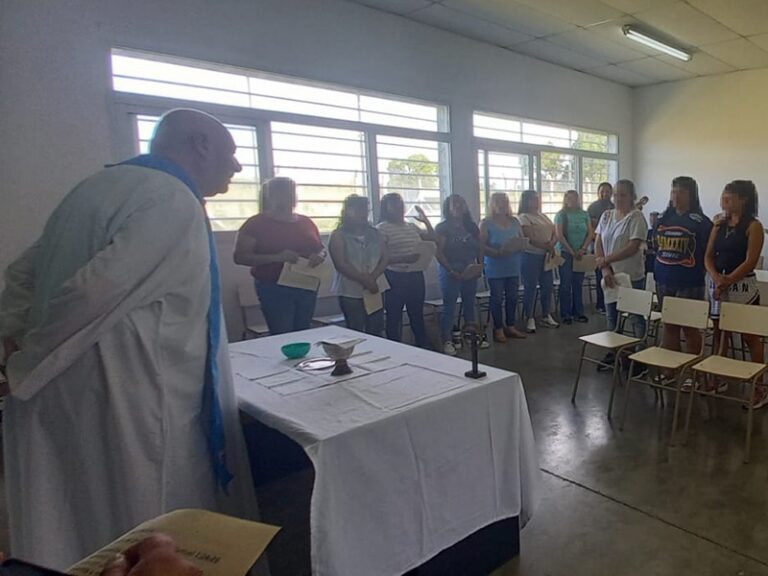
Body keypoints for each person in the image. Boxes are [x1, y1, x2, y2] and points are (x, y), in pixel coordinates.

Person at [0, 109, 257, 570]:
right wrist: (21, 365)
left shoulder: (92, 188)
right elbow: (93, 290)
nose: (237, 166)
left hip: (75, 386)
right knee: (142, 512)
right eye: (232, 153)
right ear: (199, 145)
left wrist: (13, 338)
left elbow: (22, 274)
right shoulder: (171, 198)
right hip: (130, 393)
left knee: (79, 505)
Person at [233, 177, 325, 335]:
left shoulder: (306, 222)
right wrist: (277, 257)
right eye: (283, 193)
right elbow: (240, 257)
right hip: (274, 287)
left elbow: (321, 249)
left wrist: (319, 256)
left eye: (291, 193)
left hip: (306, 284)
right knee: (283, 333)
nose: (289, 197)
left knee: (304, 332)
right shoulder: (256, 223)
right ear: (271, 196)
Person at [705, 180, 766, 407]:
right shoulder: (719, 224)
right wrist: (716, 278)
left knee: (750, 337)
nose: (724, 201)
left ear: (744, 200)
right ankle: (719, 375)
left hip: (742, 287)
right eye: (723, 196)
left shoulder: (753, 226)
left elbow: (750, 261)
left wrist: (729, 280)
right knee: (720, 333)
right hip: (718, 284)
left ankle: (759, 386)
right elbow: (708, 256)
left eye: (729, 197)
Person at [653, 177, 712, 389]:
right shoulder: (662, 219)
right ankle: (670, 370)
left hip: (689, 281)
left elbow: (709, 252)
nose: (676, 196)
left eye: (681, 192)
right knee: (669, 325)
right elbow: (655, 246)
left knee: (689, 329)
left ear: (691, 195)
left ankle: (692, 373)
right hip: (664, 278)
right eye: (673, 191)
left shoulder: (701, 222)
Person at [376, 193, 435, 348]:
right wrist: (403, 259)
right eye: (394, 205)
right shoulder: (382, 228)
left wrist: (426, 221)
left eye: (400, 204)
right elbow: (380, 258)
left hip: (415, 275)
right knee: (394, 316)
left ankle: (422, 346)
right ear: (386, 208)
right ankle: (395, 348)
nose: (398, 208)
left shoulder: (411, 226)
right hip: (395, 276)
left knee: (416, 314)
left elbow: (432, 238)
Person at [329, 195, 388, 335]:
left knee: (376, 327)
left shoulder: (376, 233)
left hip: (375, 287)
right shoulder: (338, 235)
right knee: (356, 329)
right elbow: (341, 264)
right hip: (350, 290)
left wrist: (372, 278)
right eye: (357, 209)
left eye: (364, 209)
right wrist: (364, 280)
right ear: (347, 211)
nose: (362, 213)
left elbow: (385, 258)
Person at [435, 195, 484, 356]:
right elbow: (439, 252)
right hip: (451, 268)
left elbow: (479, 248)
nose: (458, 206)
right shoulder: (442, 227)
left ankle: (471, 336)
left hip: (469, 266)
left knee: (469, 304)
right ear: (447, 208)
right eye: (454, 204)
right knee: (450, 306)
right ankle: (447, 340)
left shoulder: (471, 226)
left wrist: (479, 266)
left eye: (461, 203)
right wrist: (450, 270)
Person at [480, 193, 527, 342]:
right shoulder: (486, 223)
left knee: (512, 297)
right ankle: (498, 328)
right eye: (498, 202)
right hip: (495, 266)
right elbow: (481, 245)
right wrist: (496, 252)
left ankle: (510, 325)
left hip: (513, 265)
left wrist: (520, 245)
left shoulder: (514, 221)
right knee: (497, 298)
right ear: (492, 205)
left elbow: (521, 239)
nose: (501, 205)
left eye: (504, 202)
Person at [518, 190, 559, 333]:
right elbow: (529, 237)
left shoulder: (543, 216)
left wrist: (552, 244)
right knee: (530, 287)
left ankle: (546, 315)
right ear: (526, 202)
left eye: (537, 199)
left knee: (547, 286)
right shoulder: (523, 217)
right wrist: (546, 246)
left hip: (546, 256)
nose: (536, 202)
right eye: (532, 200)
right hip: (531, 256)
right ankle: (530, 317)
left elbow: (554, 232)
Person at [555, 190, 593, 325]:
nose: (573, 200)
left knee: (578, 283)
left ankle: (578, 312)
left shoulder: (584, 214)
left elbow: (590, 233)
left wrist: (583, 249)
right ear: (565, 200)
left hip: (581, 253)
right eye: (569, 198)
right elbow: (559, 235)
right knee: (566, 284)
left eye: (575, 198)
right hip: (566, 253)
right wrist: (571, 251)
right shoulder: (561, 215)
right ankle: (565, 314)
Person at [587, 182, 614, 314]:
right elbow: (591, 227)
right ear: (598, 192)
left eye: (608, 191)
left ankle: (612, 303)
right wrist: (595, 240)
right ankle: (601, 304)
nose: (605, 194)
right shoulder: (593, 207)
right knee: (600, 275)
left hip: (611, 247)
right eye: (602, 191)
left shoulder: (614, 207)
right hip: (597, 245)